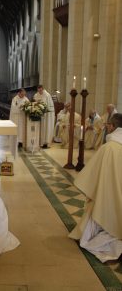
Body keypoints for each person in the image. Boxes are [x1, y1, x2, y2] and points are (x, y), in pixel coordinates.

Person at [69, 113, 122, 263]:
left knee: (101, 207)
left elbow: (92, 173)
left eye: (109, 125)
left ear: (113, 127)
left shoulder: (109, 148)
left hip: (107, 193)